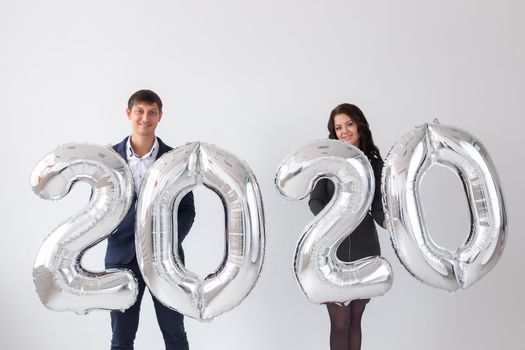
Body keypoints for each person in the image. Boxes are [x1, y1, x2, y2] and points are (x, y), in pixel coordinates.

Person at [105, 89, 195, 350]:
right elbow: (101, 209)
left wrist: (165, 242)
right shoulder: (110, 159)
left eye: (152, 112)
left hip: (166, 262)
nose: (145, 117)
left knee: (175, 335)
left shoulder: (175, 158)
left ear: (160, 116)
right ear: (129, 113)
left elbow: (187, 210)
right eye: (140, 111)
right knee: (121, 339)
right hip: (122, 260)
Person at [308, 103, 386, 350]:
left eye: (348, 124)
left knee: (355, 321)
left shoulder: (374, 163)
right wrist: (333, 224)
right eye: (338, 127)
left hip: (365, 250)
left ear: (359, 125)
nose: (344, 131)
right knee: (340, 323)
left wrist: (389, 222)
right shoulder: (328, 161)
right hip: (333, 252)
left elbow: (377, 207)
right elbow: (315, 199)